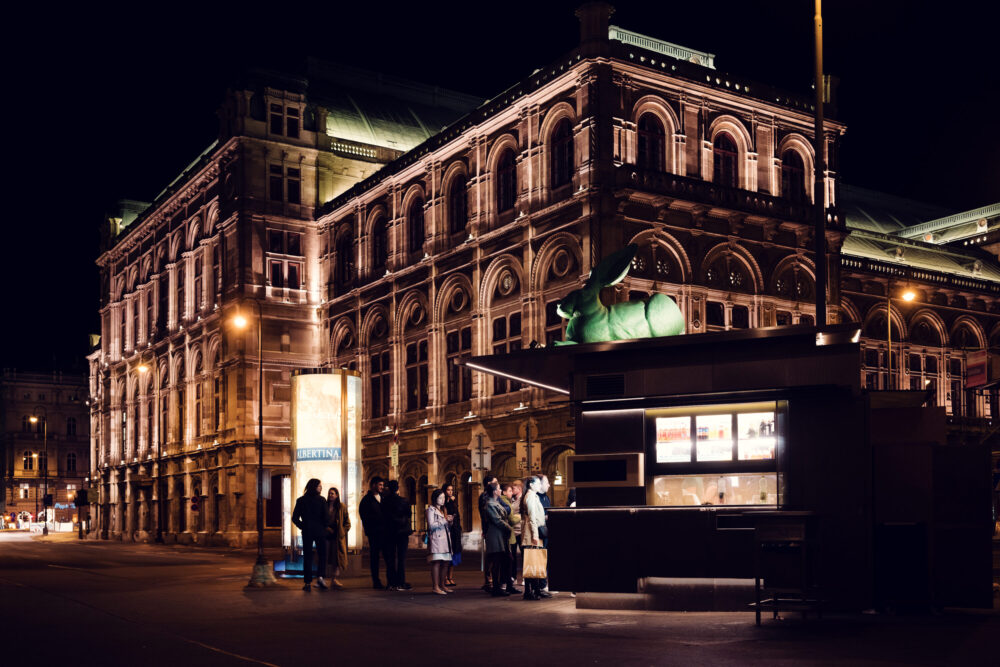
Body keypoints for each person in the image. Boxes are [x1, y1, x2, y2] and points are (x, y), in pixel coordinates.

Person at [292, 478, 330, 591]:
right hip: (320, 532)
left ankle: (307, 582)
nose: (321, 488)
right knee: (322, 555)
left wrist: (302, 526)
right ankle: (320, 577)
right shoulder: (322, 500)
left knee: (307, 557)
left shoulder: (301, 500)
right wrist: (323, 526)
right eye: (319, 486)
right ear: (314, 487)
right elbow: (326, 518)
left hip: (307, 532)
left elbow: (294, 518)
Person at [521, 475, 551, 599]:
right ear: (531, 485)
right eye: (538, 483)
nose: (540, 485)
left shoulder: (533, 496)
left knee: (536, 561)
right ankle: (529, 591)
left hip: (534, 532)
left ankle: (536, 589)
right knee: (531, 562)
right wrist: (535, 535)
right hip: (532, 534)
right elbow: (532, 518)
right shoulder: (531, 497)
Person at [359, 476, 389, 589]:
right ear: (373, 485)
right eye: (380, 485)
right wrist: (370, 530)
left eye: (382, 485)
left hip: (385, 533)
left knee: (388, 556)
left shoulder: (384, 497)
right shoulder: (366, 500)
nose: (382, 487)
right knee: (375, 557)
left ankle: (390, 580)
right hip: (374, 533)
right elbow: (364, 517)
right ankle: (376, 581)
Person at [383, 480, 413, 591]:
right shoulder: (403, 501)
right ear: (397, 489)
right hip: (402, 533)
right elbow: (408, 515)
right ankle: (401, 582)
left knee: (390, 558)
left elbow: (383, 517)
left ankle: (391, 582)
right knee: (401, 558)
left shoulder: (385, 502)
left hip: (389, 533)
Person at [484, 482, 513, 596]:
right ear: (495, 491)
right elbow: (497, 520)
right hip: (495, 536)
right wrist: (509, 527)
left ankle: (503, 586)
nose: (500, 490)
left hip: (501, 535)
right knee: (496, 561)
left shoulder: (496, 502)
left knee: (505, 560)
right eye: (499, 489)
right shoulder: (490, 504)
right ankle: (496, 588)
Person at [426, 488, 454, 595]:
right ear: (435, 498)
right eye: (440, 498)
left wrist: (449, 521)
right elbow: (431, 525)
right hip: (437, 540)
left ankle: (442, 585)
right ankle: (435, 586)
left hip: (445, 539)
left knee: (446, 562)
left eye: (443, 498)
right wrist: (444, 520)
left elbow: (445, 524)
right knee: (436, 562)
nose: (442, 500)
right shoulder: (430, 510)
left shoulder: (443, 510)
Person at [325, 487, 351, 589]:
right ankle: (322, 578)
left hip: (337, 537)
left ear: (337, 495)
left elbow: (347, 523)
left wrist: (342, 532)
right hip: (326, 535)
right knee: (326, 556)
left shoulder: (341, 507)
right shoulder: (325, 505)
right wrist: (326, 528)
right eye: (329, 493)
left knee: (337, 558)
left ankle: (334, 579)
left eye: (332, 493)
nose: (330, 495)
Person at [499, 483, 521, 594]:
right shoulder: (505, 502)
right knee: (508, 561)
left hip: (508, 535)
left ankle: (507, 584)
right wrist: (520, 516)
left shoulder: (504, 501)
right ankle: (506, 585)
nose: (511, 493)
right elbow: (511, 519)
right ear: (504, 492)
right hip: (509, 535)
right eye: (509, 491)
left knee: (508, 561)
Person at [478, 472, 499, 592]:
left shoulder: (490, 496)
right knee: (490, 555)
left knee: (493, 555)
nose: (497, 484)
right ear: (489, 484)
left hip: (491, 528)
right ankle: (488, 579)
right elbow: (484, 515)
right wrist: (485, 529)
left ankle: (491, 579)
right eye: (495, 482)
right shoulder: (484, 497)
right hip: (489, 528)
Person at [443, 483, 462, 587]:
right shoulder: (444, 503)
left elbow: (457, 515)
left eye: (451, 490)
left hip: (455, 530)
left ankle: (450, 577)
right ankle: (445, 577)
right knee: (448, 553)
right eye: (448, 490)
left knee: (454, 553)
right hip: (448, 530)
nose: (450, 492)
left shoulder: (453, 502)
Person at [510, 479, 524, 585]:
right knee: (512, 555)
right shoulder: (512, 499)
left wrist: (514, 517)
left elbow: (521, 515)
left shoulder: (522, 499)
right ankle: (513, 576)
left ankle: (524, 577)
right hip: (513, 531)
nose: (512, 490)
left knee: (524, 555)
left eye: (513, 488)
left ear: (519, 489)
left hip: (521, 531)